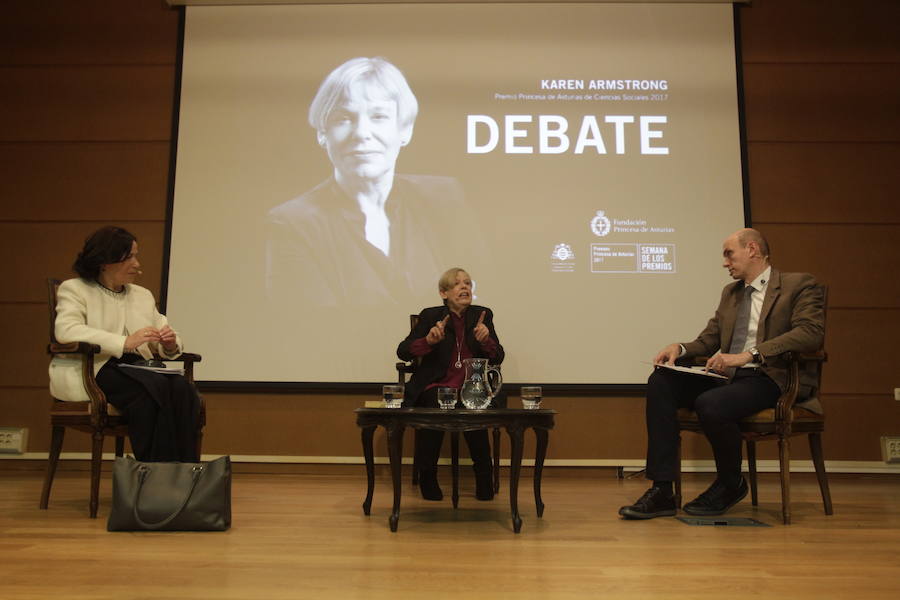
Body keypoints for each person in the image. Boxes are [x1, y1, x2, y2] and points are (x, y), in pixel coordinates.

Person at [619, 228, 825, 519]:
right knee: (661, 381)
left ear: (752, 249)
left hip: (770, 377)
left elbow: (810, 333)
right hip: (730, 378)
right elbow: (709, 340)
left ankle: (731, 482)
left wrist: (750, 355)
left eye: (729, 254)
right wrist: (678, 347)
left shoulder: (799, 285)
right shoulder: (731, 293)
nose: (724, 262)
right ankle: (662, 489)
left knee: (712, 403)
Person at [266, 56, 484, 307]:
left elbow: (487, 293)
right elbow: (310, 325)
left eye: (378, 116)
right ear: (322, 133)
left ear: (405, 130)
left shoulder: (444, 196)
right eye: (343, 119)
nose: (361, 133)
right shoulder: (292, 222)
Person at [49, 226, 200, 462]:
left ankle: (183, 474)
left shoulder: (142, 295)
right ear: (105, 260)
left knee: (182, 389)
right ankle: (154, 476)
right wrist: (124, 342)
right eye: (130, 256)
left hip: (136, 368)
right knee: (149, 393)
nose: (137, 264)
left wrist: (169, 344)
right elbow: (66, 331)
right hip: (94, 368)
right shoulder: (76, 289)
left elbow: (162, 328)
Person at [397, 268, 504, 501]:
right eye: (457, 284)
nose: (465, 287)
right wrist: (427, 341)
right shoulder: (429, 316)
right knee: (435, 403)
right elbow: (403, 351)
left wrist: (486, 342)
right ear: (443, 293)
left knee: (474, 405)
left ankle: (484, 478)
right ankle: (428, 477)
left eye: (467, 283)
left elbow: (498, 357)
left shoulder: (483, 315)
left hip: (471, 386)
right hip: (436, 386)